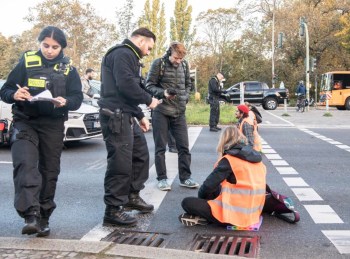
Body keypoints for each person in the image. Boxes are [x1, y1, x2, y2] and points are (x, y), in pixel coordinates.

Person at [0, 26, 83, 237]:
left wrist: (66, 101)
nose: (49, 50)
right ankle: (31, 215)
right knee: (25, 164)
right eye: (45, 45)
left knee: (49, 171)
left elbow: (77, 98)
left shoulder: (69, 69)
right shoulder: (26, 62)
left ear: (62, 48)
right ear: (40, 43)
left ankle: (44, 217)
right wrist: (14, 94)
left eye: (55, 47)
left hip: (52, 125)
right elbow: (5, 90)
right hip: (25, 121)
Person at [98, 28, 160, 227]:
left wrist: (140, 115)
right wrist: (148, 100)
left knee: (140, 155)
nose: (149, 52)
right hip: (115, 116)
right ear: (141, 40)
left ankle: (131, 196)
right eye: (149, 47)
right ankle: (113, 210)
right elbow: (126, 86)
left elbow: (126, 90)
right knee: (120, 164)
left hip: (126, 114)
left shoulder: (130, 56)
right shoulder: (123, 53)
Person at [178, 126, 266, 227]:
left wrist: (203, 201)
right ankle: (205, 217)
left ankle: (206, 217)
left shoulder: (230, 160)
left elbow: (207, 186)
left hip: (233, 217)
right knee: (218, 189)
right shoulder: (257, 159)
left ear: (224, 141)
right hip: (253, 214)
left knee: (187, 202)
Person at [146, 41, 199, 191]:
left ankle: (185, 177)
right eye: (176, 58)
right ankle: (162, 179)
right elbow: (148, 85)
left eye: (181, 59)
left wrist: (185, 96)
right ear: (170, 53)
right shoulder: (158, 64)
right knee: (160, 148)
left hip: (179, 112)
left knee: (184, 148)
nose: (178, 61)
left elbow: (188, 83)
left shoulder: (185, 65)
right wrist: (163, 93)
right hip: (161, 111)